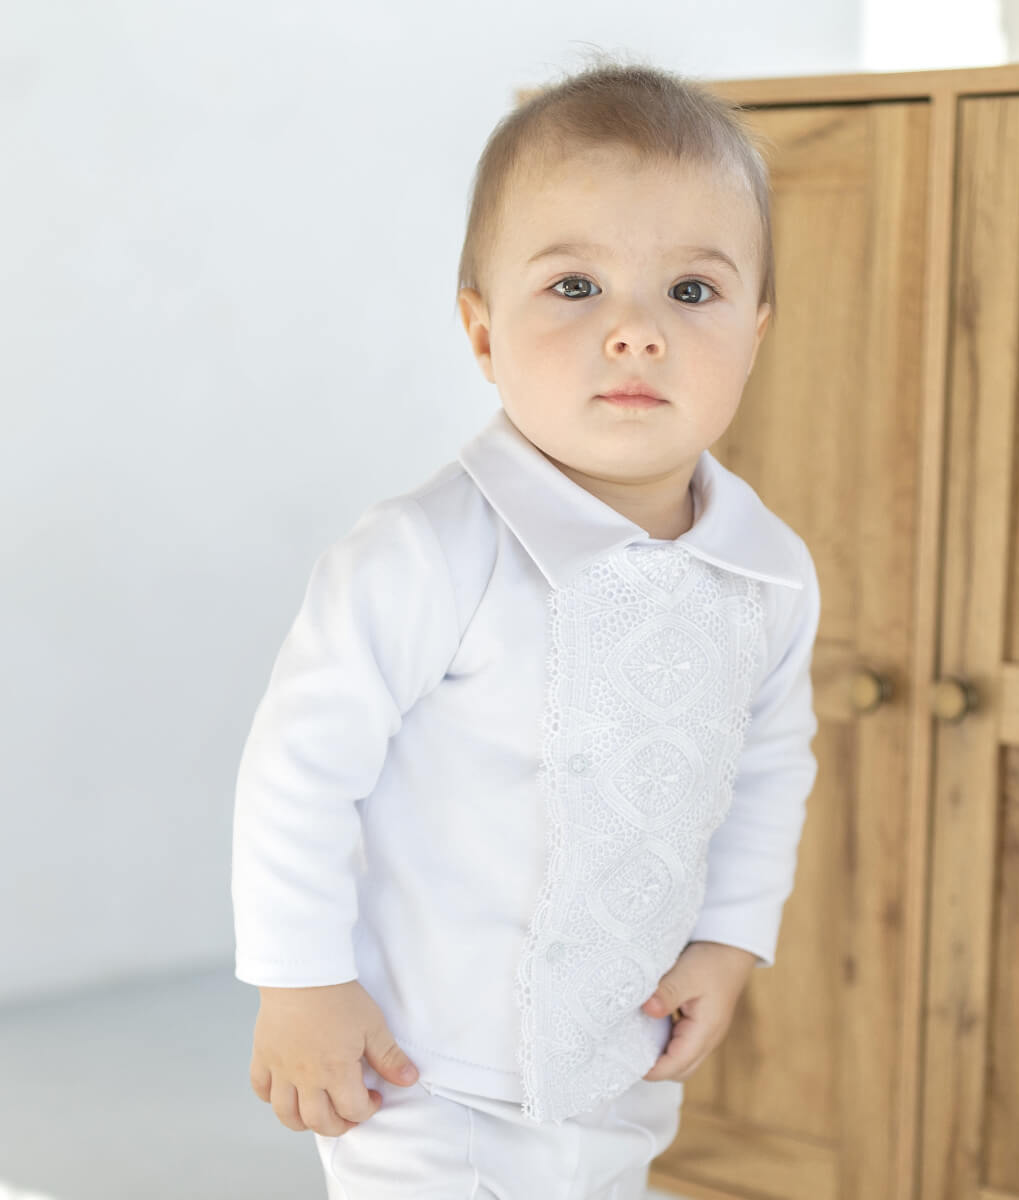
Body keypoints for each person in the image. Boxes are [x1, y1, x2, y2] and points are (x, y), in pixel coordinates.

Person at [231, 52, 821, 1199]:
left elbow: (766, 773)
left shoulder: (769, 574)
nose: (637, 333)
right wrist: (300, 982)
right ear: (482, 329)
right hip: (415, 1069)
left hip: (616, 1060)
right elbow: (298, 777)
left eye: (690, 293)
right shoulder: (424, 554)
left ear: (754, 329)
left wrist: (731, 939)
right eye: (575, 288)